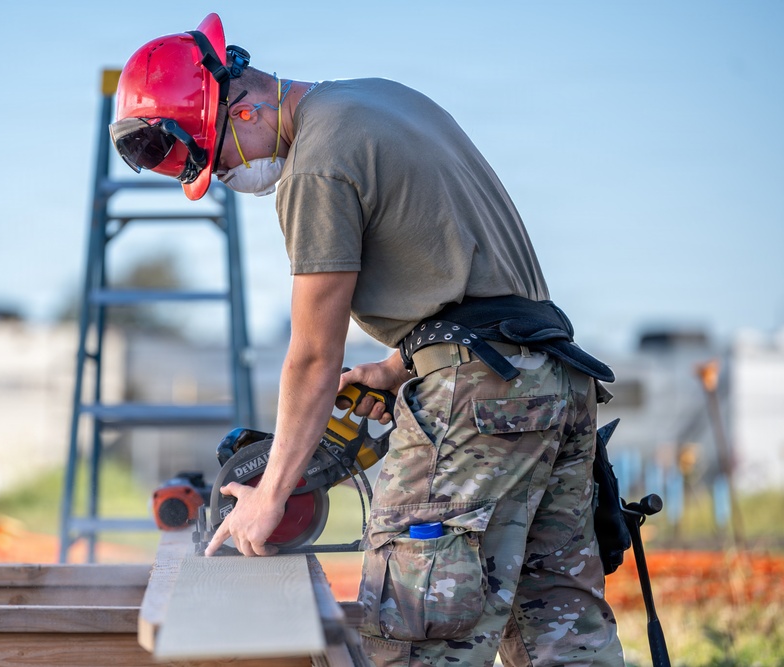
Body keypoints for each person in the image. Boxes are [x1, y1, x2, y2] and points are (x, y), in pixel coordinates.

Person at [110, 13, 625, 667]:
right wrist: (396, 366)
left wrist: (271, 496)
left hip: (476, 394)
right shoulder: (380, 99)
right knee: (560, 627)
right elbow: (463, 270)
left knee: (418, 634)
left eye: (222, 161)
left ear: (243, 110)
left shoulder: (315, 165)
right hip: (554, 377)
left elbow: (314, 353)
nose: (235, 176)